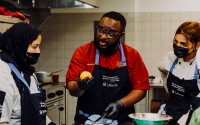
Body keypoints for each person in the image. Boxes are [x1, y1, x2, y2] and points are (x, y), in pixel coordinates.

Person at [66, 11, 150, 125]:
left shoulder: (132, 55)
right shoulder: (83, 52)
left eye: (111, 33)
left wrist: (120, 103)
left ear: (121, 35)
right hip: (88, 120)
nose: (103, 36)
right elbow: (72, 89)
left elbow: (141, 89)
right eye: (100, 30)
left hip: (121, 120)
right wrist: (80, 86)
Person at [0, 22, 55, 125]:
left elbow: (38, 111)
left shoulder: (27, 71)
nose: (38, 51)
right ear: (20, 45)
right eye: (35, 47)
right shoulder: (3, 75)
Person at [158, 21, 200, 125]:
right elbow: (162, 70)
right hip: (170, 115)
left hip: (192, 120)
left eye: (183, 44)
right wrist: (168, 89)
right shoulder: (169, 58)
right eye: (175, 42)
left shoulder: (199, 65)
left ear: (197, 45)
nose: (177, 46)